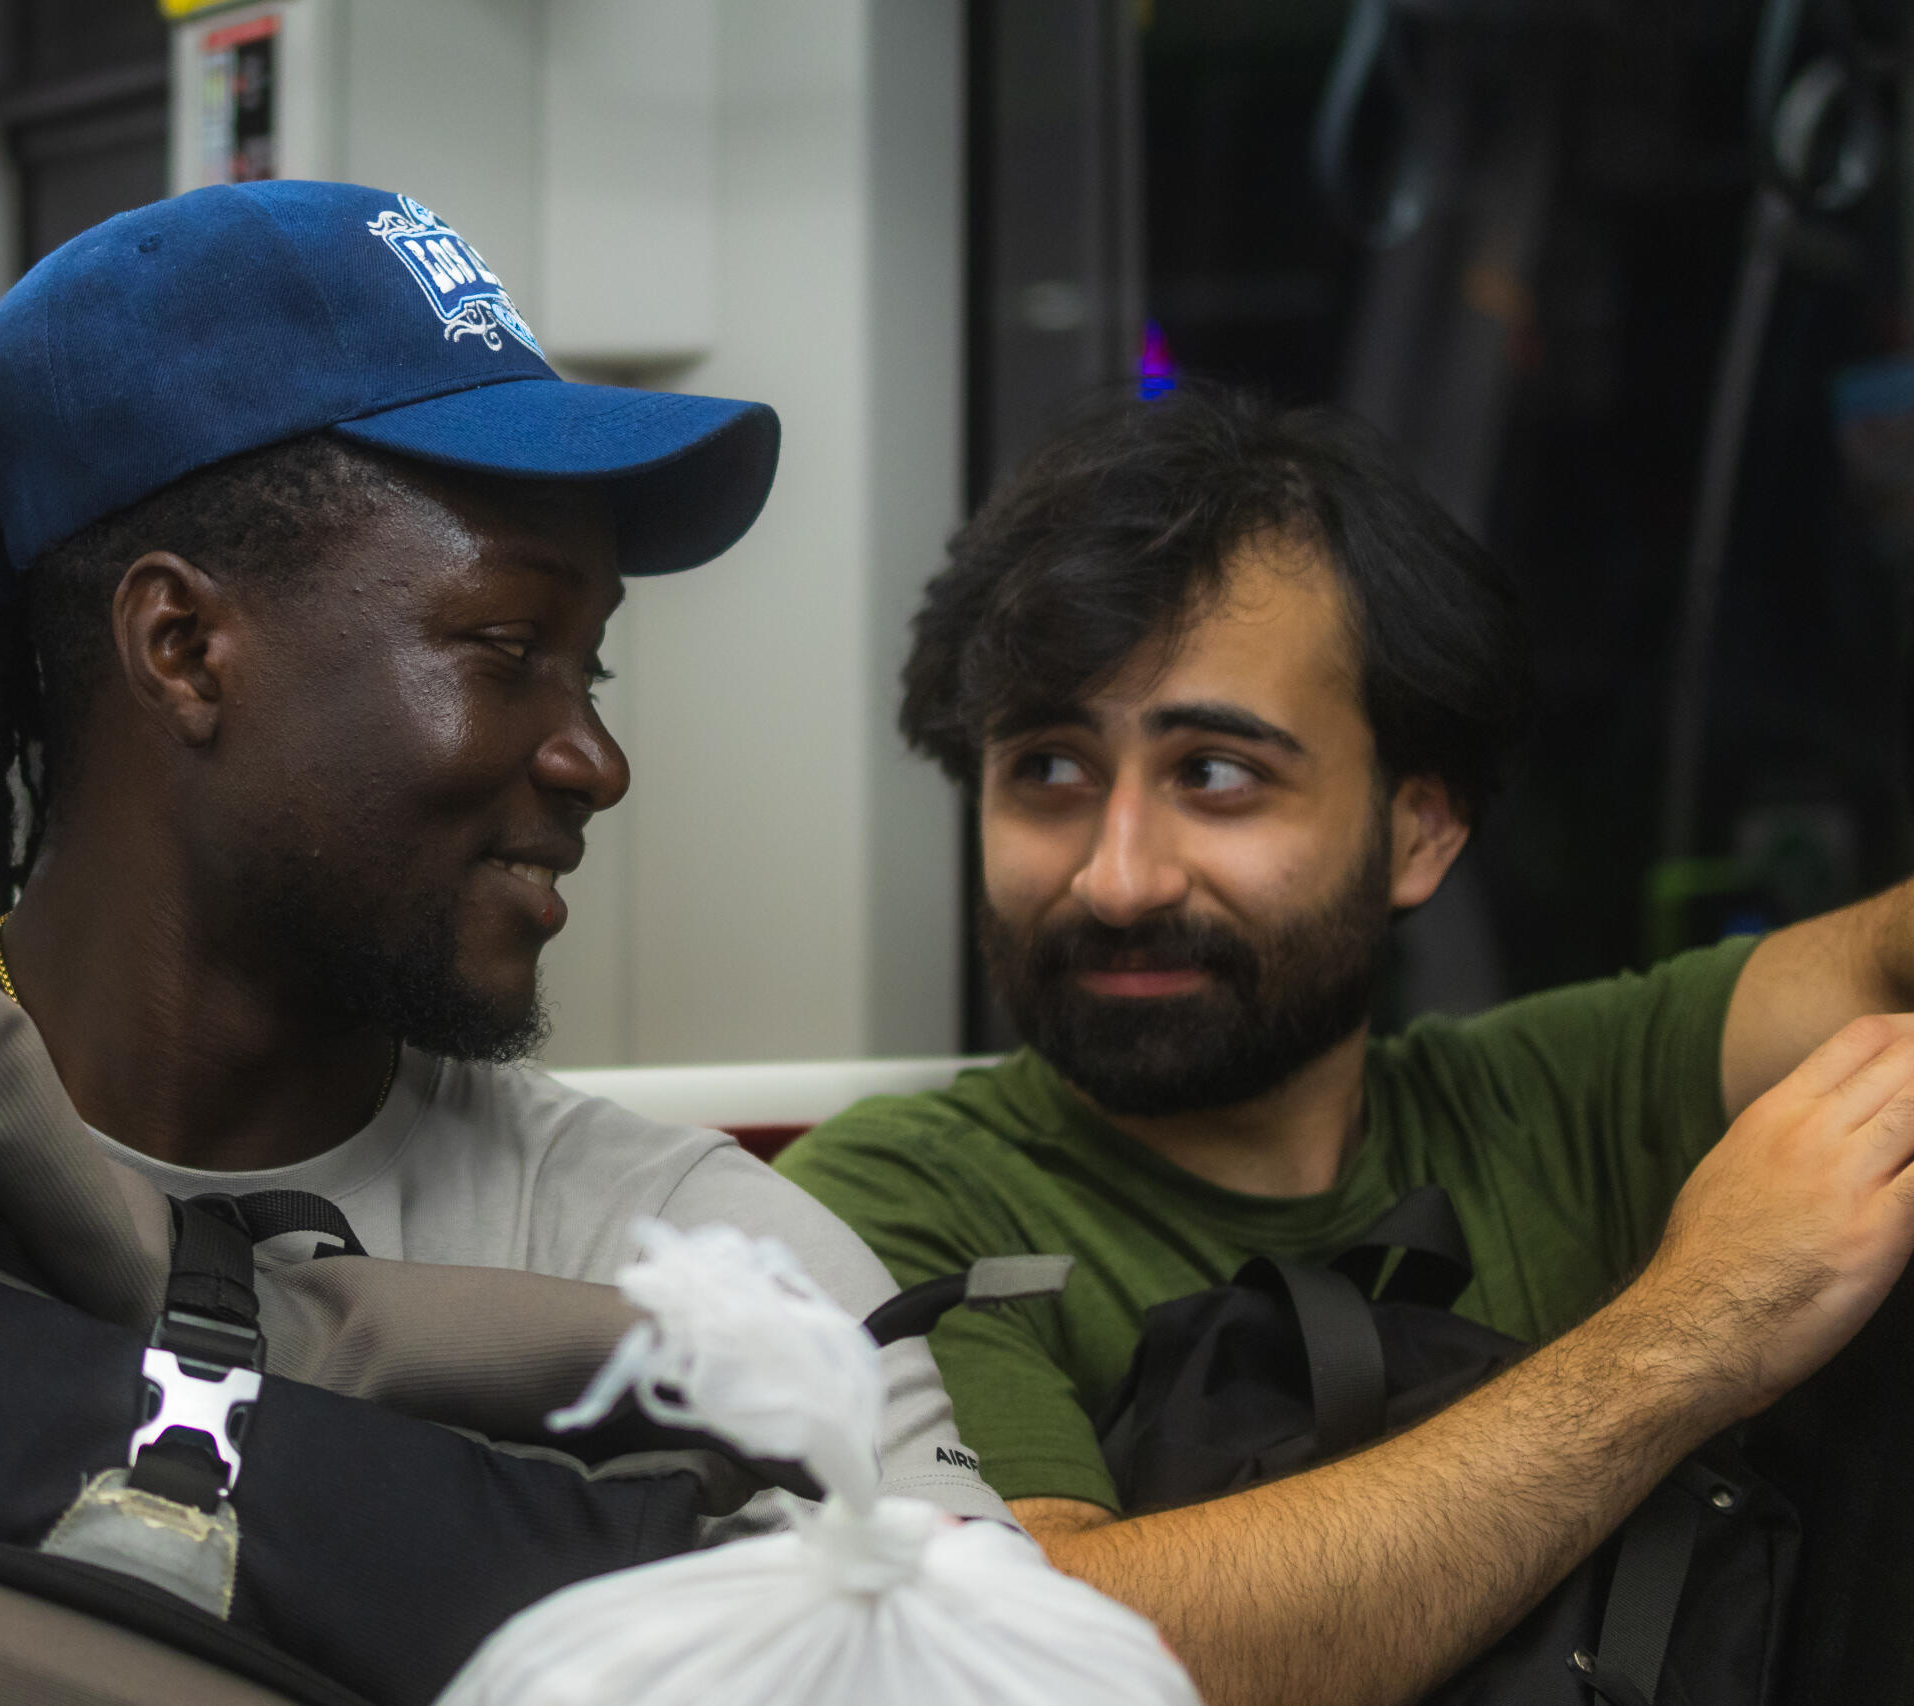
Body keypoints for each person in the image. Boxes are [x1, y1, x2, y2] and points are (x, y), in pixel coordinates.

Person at [0, 181, 1005, 1706]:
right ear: (184, 647)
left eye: (596, 668)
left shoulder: (697, 1281)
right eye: (508, 647)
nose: (594, 758)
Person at [776, 383, 1914, 1706]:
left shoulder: (1563, 1100)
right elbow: (1044, 1654)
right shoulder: (882, 1208)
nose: (1117, 876)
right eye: (1049, 771)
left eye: (1214, 773)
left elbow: (1881, 959)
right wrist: (1694, 1329)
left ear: (1418, 833)